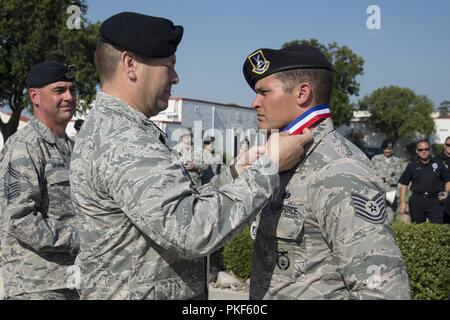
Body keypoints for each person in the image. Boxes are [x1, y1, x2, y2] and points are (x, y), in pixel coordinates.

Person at [69, 12, 311, 300]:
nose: (176, 77)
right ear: (130, 65)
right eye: (168, 66)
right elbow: (191, 233)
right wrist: (268, 168)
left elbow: (181, 208)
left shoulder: (117, 129)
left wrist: (236, 174)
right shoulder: (124, 139)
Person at [242, 44, 410, 299]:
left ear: (302, 93)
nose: (255, 103)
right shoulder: (280, 158)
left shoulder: (340, 169)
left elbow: (384, 292)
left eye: (264, 92)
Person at [0, 61, 80, 300]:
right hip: (37, 287)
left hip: (73, 282)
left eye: (72, 90)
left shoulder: (72, 149)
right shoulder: (25, 147)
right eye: (59, 90)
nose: (69, 97)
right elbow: (18, 219)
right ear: (35, 96)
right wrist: (82, 236)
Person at [399, 139, 450, 224]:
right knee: (418, 228)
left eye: (426, 149)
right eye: (421, 150)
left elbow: (448, 180)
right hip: (417, 200)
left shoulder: (439, 164)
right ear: (416, 151)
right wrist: (402, 203)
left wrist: (446, 192)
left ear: (430, 150)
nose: (424, 151)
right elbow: (404, 184)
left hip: (435, 200)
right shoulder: (412, 166)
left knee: (438, 227)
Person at [371, 140, 405, 223]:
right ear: (383, 149)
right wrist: (380, 180)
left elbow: (399, 176)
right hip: (378, 190)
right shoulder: (375, 159)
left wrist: (387, 179)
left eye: (389, 149)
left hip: (391, 191)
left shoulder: (397, 161)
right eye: (385, 148)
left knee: (391, 215)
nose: (387, 151)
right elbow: (371, 174)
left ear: (393, 149)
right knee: (377, 213)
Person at [436, 136, 450, 223]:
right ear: (444, 145)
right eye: (448, 145)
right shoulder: (437, 159)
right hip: (442, 192)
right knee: (443, 219)